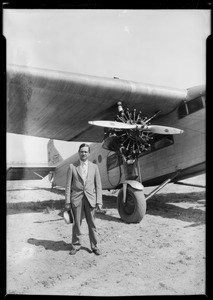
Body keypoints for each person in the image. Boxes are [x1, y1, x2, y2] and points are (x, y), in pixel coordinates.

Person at [65, 143, 103, 255]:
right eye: (82, 151)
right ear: (78, 152)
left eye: (86, 151)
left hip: (90, 199)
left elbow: (98, 186)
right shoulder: (72, 167)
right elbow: (68, 186)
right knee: (77, 223)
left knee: (92, 224)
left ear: (89, 153)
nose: (83, 153)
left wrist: (99, 201)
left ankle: (94, 246)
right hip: (77, 199)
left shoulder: (94, 167)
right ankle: (76, 245)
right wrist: (67, 201)